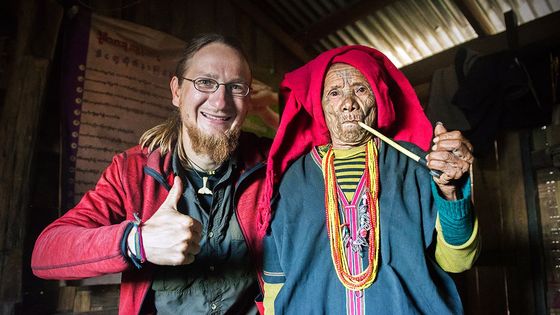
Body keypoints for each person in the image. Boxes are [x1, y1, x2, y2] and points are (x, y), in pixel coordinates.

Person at [32, 34, 274, 315]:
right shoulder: (131, 171)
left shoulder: (271, 164)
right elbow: (46, 253)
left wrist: (276, 117)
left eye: (236, 87)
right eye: (205, 82)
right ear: (176, 91)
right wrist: (138, 241)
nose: (221, 102)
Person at [259, 45, 480, 314]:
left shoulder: (414, 165)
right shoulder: (294, 181)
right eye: (334, 92)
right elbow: (275, 282)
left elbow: (458, 261)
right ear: (321, 107)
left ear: (378, 99)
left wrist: (450, 192)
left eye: (360, 89)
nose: (348, 102)